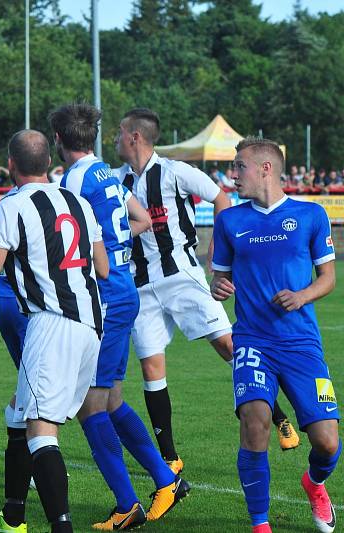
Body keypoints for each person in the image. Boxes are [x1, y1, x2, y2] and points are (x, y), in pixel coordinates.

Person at [114, 108, 299, 474]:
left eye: (120, 133)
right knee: (151, 367)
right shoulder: (118, 180)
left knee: (229, 347)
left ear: (135, 137)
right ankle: (170, 456)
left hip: (182, 277)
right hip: (141, 285)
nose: (115, 139)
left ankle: (278, 417)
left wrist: (218, 246)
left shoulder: (174, 171)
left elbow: (220, 198)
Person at [0, 130, 106, 533]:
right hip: (92, 322)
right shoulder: (78, 201)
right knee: (17, 413)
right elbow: (104, 268)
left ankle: (61, 528)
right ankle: (12, 517)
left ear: (10, 163)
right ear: (49, 163)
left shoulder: (13, 205)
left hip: (52, 323)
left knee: (41, 430)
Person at [51, 103, 188, 529]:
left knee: (90, 408)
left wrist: (101, 254)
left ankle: (126, 504)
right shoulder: (108, 173)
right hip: (125, 291)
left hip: (106, 298)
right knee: (110, 400)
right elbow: (143, 218)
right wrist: (115, 243)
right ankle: (167, 480)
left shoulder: (72, 179)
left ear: (58, 140)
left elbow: (72, 242)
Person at [211, 138, 340, 533]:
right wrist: (218, 286)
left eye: (240, 167)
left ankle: (314, 483)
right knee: (255, 423)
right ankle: (260, 525)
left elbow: (329, 278)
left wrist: (302, 296)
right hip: (252, 340)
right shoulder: (230, 220)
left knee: (328, 443)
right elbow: (220, 276)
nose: (233, 175)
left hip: (301, 343)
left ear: (266, 168)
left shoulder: (310, 215)